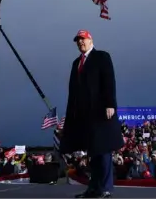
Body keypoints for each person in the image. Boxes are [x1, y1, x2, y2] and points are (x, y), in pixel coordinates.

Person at [60, 30, 124, 198]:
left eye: (83, 39)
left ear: (90, 40)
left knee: (103, 150)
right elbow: (73, 91)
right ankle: (94, 188)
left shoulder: (102, 56)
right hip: (84, 115)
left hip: (101, 112)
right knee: (92, 152)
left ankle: (106, 188)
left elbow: (109, 80)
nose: (81, 42)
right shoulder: (76, 63)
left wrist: (110, 103)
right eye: (78, 41)